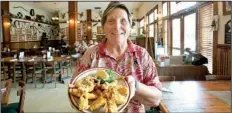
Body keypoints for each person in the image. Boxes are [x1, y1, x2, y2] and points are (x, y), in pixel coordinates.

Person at [71, 2, 162, 113]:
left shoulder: (141, 54)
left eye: (123, 21)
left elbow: (156, 100)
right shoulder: (91, 54)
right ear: (103, 27)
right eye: (111, 21)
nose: (117, 26)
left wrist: (136, 86)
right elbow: (73, 90)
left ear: (130, 25)